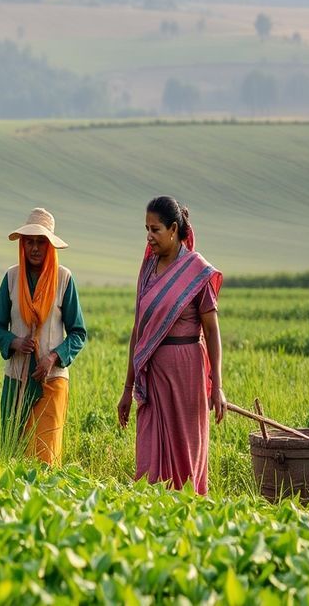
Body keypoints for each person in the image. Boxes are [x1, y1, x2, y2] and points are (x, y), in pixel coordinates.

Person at [117, 196, 227, 495]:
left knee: (185, 450)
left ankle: (187, 514)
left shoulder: (196, 271)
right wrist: (127, 389)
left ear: (174, 229)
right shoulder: (148, 270)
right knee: (150, 456)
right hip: (153, 376)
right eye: (146, 229)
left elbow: (212, 331)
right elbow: (139, 330)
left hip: (186, 373)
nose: (149, 237)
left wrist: (216, 385)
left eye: (155, 229)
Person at [0, 208, 86, 465]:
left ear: (50, 246)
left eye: (40, 242)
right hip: (16, 379)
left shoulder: (64, 279)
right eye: (29, 241)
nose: (34, 248)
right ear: (22, 244)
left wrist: (53, 357)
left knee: (45, 458)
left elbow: (78, 333)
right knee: (13, 454)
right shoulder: (11, 278)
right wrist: (14, 342)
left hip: (51, 382)